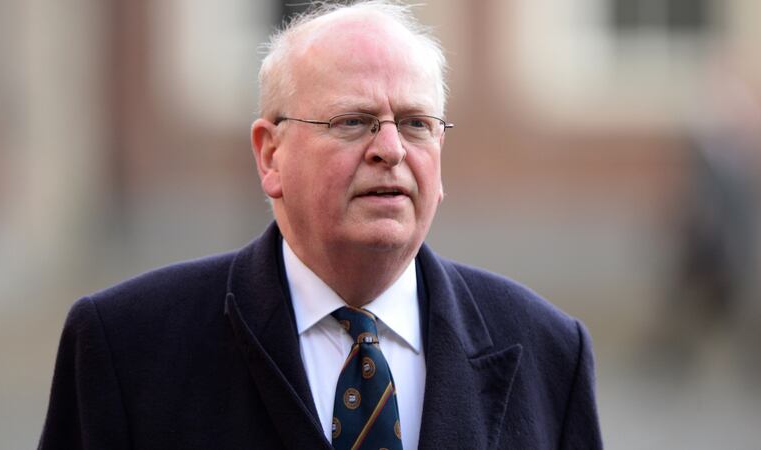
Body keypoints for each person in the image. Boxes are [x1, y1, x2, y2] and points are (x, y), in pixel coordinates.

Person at [39, 2, 602, 449]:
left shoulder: (549, 350)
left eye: (415, 124)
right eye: (353, 121)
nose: (390, 150)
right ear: (271, 155)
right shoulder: (126, 346)